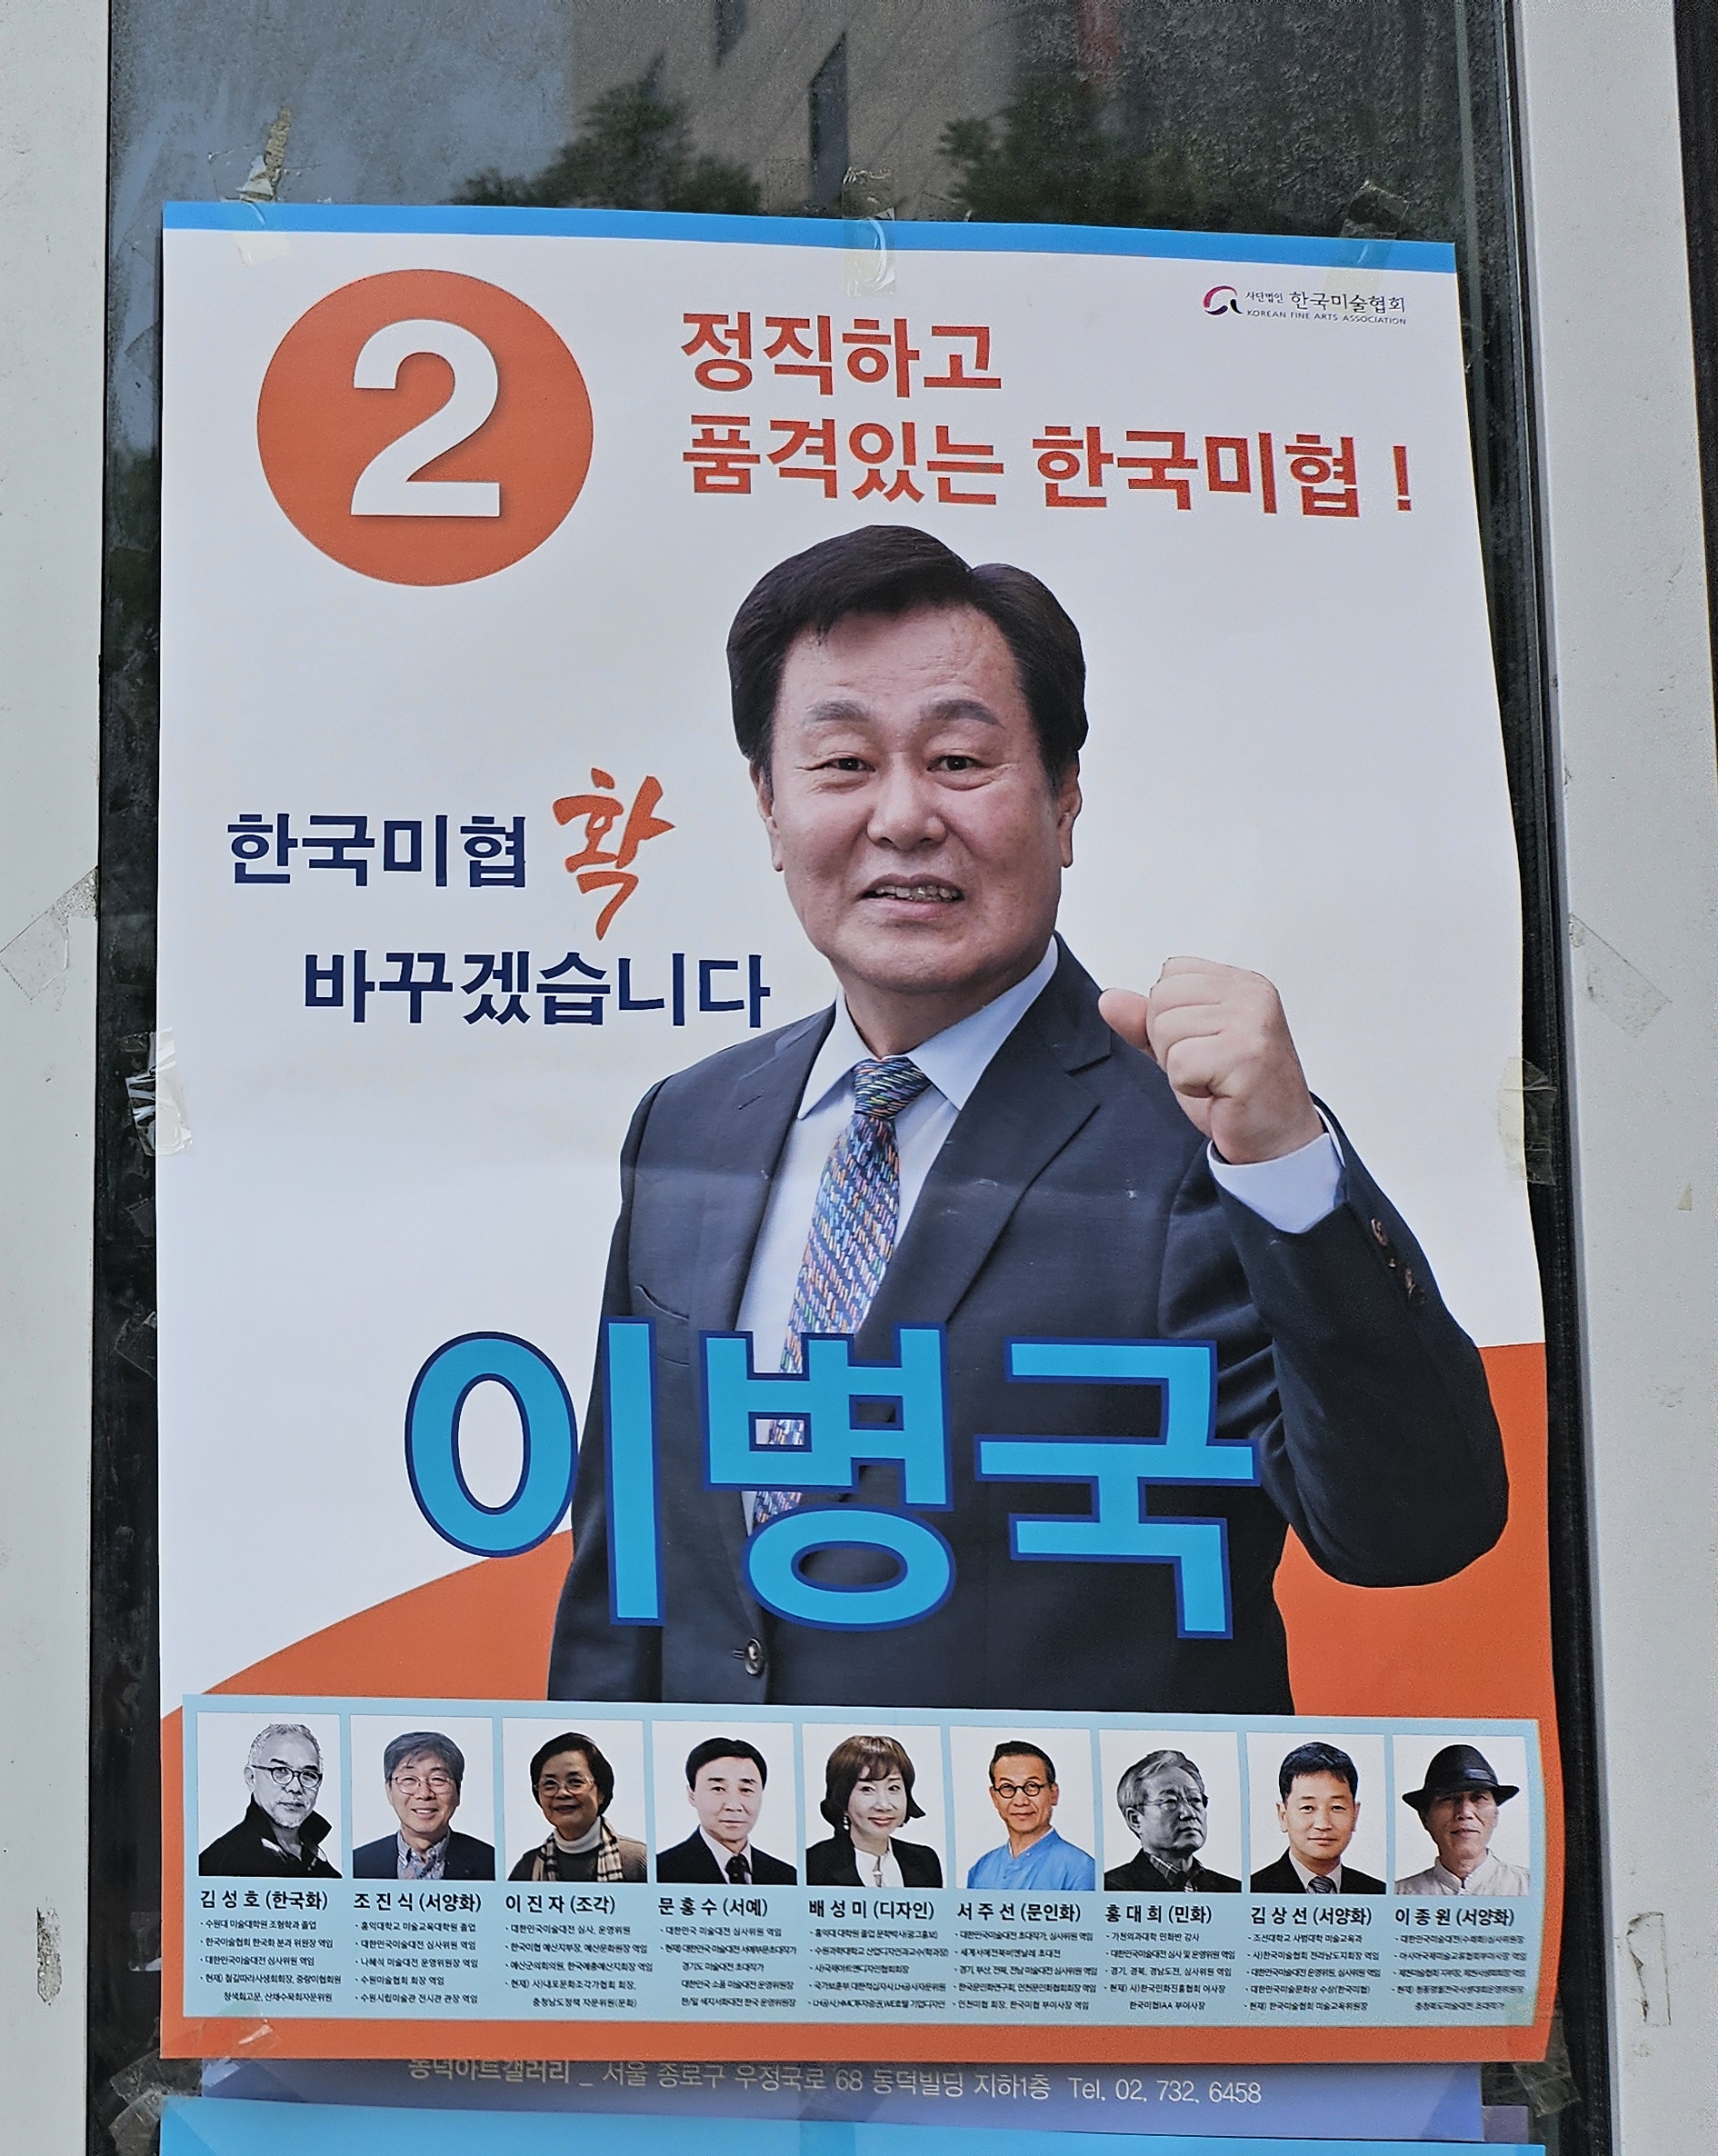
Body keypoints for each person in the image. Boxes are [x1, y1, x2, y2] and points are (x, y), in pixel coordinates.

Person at [549, 526, 1504, 1714]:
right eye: (843, 763)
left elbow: (1411, 1528)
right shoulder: (692, 1123)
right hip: (727, 1832)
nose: (902, 816)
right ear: (769, 807)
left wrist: (1286, 1165)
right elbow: (625, 1573)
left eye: (958, 760)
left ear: (1063, 802)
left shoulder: (1200, 1140)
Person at [198, 1722, 341, 1877]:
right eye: (280, 1771)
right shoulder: (218, 1864)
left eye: (308, 1775)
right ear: (251, 1778)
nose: (295, 1787)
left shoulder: (317, 1860)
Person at [350, 1731, 494, 1881]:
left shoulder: (492, 1865)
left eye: (438, 1779)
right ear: (389, 1790)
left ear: (458, 1791)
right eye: (409, 1779)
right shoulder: (356, 1866)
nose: (424, 1794)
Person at [506, 1731, 648, 1882]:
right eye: (549, 1784)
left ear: (601, 1793)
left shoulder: (637, 1862)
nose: (562, 1793)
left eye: (575, 1782)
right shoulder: (528, 1869)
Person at [804, 1733, 943, 1886]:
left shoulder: (924, 1861)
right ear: (842, 1797)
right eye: (867, 1789)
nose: (883, 1805)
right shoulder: (814, 1864)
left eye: (893, 1788)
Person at [1252, 1741, 1387, 1893]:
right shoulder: (1252, 1891)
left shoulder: (1380, 1893)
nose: (1323, 1824)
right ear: (1283, 1816)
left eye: (1337, 1807)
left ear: (1355, 1815)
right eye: (1308, 1808)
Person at [655, 1736, 794, 1883]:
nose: (733, 1806)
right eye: (718, 1789)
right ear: (692, 1795)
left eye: (746, 1790)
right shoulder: (659, 1872)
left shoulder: (787, 1877)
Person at [1400, 1742, 1532, 1897]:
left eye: (1478, 1798)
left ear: (1496, 1815)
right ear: (1425, 1818)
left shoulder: (1533, 1888)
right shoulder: (1398, 1894)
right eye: (1449, 1799)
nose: (1465, 1812)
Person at [964, 1741, 1098, 1891]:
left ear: (1053, 1794)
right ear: (994, 1797)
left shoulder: (1080, 1870)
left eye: (1032, 1786)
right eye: (1007, 1787)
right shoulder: (981, 1869)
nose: (1020, 1801)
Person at [1104, 1748, 1241, 1892]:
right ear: (1135, 1819)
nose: (1188, 1813)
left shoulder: (1234, 1891)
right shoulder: (1109, 1890)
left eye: (1195, 1800)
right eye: (1170, 1801)